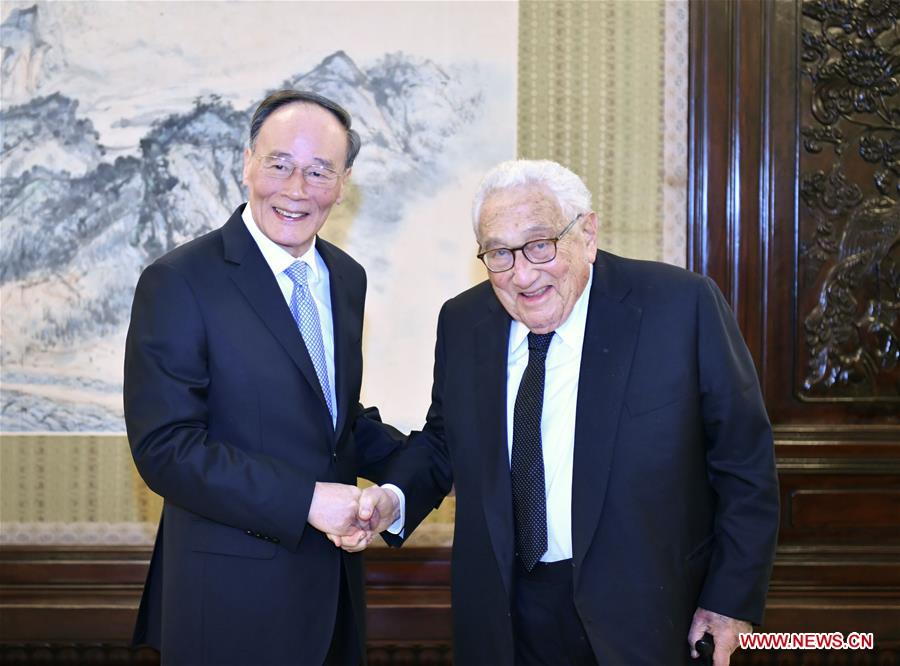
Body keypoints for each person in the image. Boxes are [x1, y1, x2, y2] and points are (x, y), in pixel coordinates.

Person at [355, 160, 779, 665]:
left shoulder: (680, 307)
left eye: (540, 245)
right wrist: (394, 499)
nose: (523, 274)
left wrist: (729, 601)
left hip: (647, 615)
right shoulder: (464, 322)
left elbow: (744, 463)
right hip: (507, 620)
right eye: (499, 253)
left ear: (588, 234)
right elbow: (446, 440)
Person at [124, 89, 402, 665]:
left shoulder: (345, 278)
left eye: (319, 171)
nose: (296, 189)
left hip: (334, 603)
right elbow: (166, 449)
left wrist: (439, 463)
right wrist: (306, 500)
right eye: (279, 164)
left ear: (343, 183)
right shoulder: (179, 280)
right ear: (247, 164)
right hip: (228, 608)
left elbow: (332, 422)